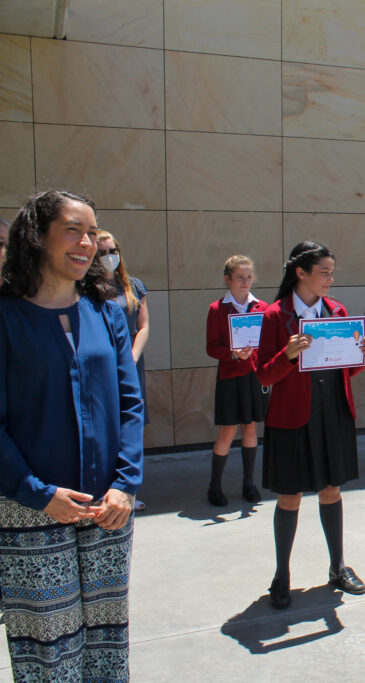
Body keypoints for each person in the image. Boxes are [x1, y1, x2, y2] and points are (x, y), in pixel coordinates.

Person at [0, 190, 144, 681]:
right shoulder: (4, 317)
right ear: (37, 235)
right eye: (72, 229)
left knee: (107, 640)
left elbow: (130, 404)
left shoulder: (105, 311)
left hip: (109, 507)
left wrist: (126, 484)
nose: (88, 243)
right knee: (49, 647)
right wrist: (38, 494)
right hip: (29, 509)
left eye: (92, 232)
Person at [257, 241, 365, 608]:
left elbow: (347, 367)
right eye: (323, 272)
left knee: (331, 490)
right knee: (289, 496)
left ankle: (337, 566)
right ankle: (282, 574)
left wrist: (364, 356)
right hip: (292, 416)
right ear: (301, 273)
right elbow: (264, 373)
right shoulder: (276, 316)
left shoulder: (336, 310)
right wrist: (288, 354)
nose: (330, 278)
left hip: (333, 412)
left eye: (331, 272)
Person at [205, 255, 270, 506]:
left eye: (249, 276)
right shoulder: (217, 309)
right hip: (230, 376)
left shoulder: (262, 307)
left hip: (254, 376)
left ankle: (248, 484)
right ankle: (215, 486)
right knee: (228, 430)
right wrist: (232, 353)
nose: (245, 282)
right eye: (240, 277)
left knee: (251, 427)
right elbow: (211, 347)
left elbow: (267, 341)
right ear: (228, 279)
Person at [96, 229, 150, 511]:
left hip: (130, 363)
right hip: (102, 367)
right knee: (106, 423)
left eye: (112, 251)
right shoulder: (88, 288)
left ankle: (128, 488)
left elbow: (143, 326)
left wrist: (130, 357)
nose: (108, 257)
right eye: (102, 252)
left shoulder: (133, 286)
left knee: (131, 421)